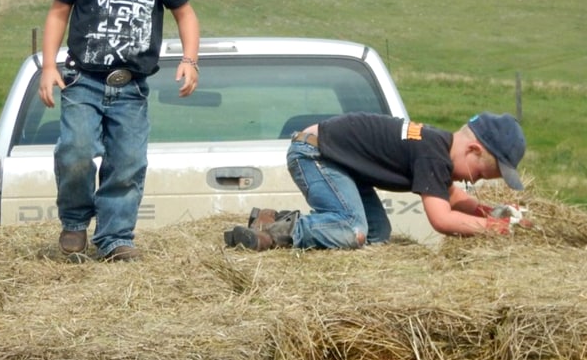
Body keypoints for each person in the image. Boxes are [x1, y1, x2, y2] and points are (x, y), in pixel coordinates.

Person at [38, 0, 200, 262]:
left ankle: (114, 237)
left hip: (130, 87)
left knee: (127, 163)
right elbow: (59, 12)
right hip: (83, 80)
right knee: (75, 151)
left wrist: (190, 60)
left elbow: (186, 14)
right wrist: (48, 66)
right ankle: (75, 221)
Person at [224, 111, 529, 251]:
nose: (473, 182)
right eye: (479, 175)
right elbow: (442, 219)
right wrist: (493, 230)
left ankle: (271, 219)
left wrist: (492, 213)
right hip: (315, 152)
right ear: (473, 150)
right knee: (353, 230)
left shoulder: (437, 146)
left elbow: (454, 199)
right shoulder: (433, 155)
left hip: (339, 160)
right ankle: (272, 234)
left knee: (377, 235)